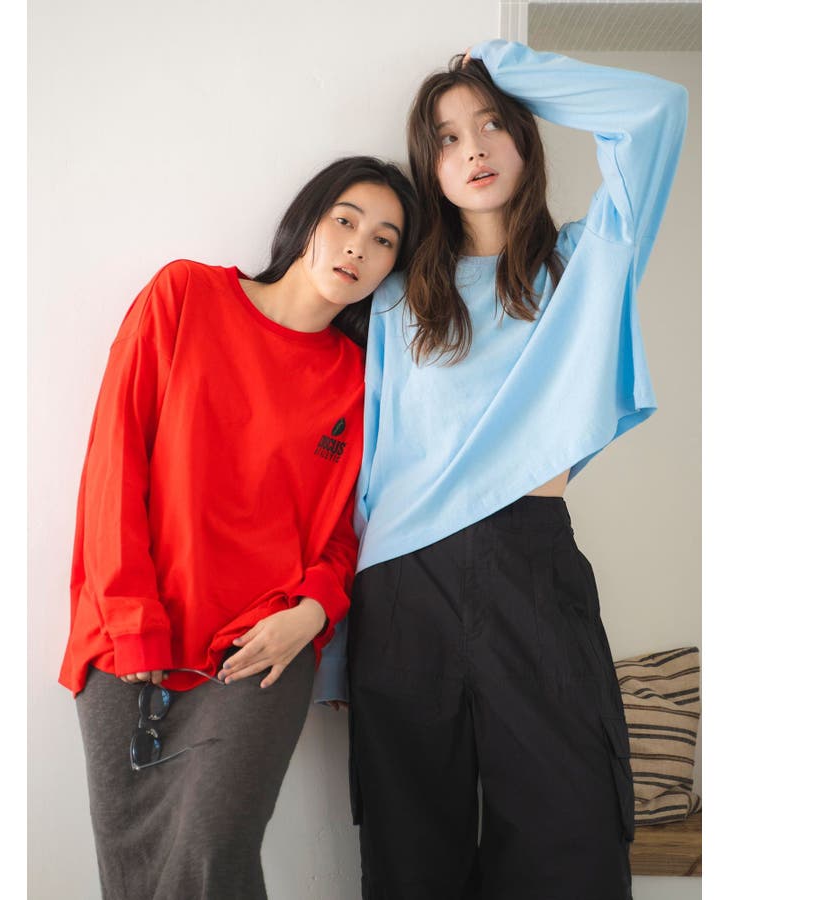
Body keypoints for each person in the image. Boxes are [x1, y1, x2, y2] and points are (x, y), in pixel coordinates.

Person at [319, 40, 688, 899]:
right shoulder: (400, 294)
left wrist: (502, 65)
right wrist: (338, 651)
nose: (474, 150)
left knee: (574, 832)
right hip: (402, 583)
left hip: (531, 561)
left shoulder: (588, 260)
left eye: (491, 127)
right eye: (447, 139)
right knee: (412, 855)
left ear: (525, 136)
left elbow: (657, 112)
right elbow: (371, 466)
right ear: (429, 167)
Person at [58, 155, 418, 900]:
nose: (358, 247)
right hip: (132, 635)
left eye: (384, 240)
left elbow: (348, 529)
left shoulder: (359, 381)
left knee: (212, 854)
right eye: (346, 221)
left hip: (262, 644)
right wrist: (133, 623)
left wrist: (313, 612)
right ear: (307, 222)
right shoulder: (184, 295)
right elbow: (114, 464)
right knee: (133, 879)